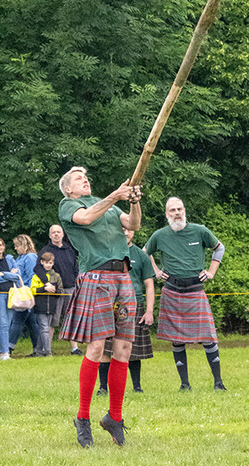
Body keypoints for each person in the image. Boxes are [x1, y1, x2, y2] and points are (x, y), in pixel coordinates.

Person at [58, 166, 142, 448]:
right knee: (96, 347)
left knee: (124, 348)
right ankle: (83, 418)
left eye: (86, 178)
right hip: (96, 279)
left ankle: (114, 417)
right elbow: (85, 219)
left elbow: (133, 225)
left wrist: (133, 202)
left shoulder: (104, 205)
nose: (85, 180)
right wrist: (116, 195)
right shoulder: (69, 205)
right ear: (68, 188)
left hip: (122, 278)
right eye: (79, 179)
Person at [144, 197, 226, 391]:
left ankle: (218, 383)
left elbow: (219, 248)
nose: (177, 213)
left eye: (180, 209)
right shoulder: (159, 235)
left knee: (208, 337)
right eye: (172, 210)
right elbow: (144, 253)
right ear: (166, 214)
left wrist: (211, 271)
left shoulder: (200, 230)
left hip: (195, 289)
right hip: (171, 290)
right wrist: (155, 271)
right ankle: (184, 384)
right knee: (177, 339)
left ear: (185, 210)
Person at [97, 226, 156, 395]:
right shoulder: (108, 252)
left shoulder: (141, 255)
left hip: (134, 304)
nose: (125, 232)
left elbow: (149, 284)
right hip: (112, 305)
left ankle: (137, 387)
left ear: (134, 231)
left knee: (133, 349)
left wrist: (149, 310)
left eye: (128, 229)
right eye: (121, 229)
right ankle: (103, 387)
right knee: (107, 347)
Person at [34, 224, 82, 355]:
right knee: (52, 320)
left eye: (58, 232)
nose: (56, 234)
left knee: (72, 318)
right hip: (54, 291)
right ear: (50, 235)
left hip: (71, 289)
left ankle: (75, 348)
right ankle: (46, 349)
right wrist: (46, 283)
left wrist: (76, 280)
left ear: (62, 234)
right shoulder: (45, 251)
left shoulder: (70, 250)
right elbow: (38, 269)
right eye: (53, 232)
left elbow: (75, 267)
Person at [7, 234, 41, 356]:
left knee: (17, 320)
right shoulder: (20, 257)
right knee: (32, 323)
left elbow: (32, 276)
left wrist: (30, 293)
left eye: (17, 245)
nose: (15, 248)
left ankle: (8, 348)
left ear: (24, 245)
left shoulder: (30, 257)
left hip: (25, 293)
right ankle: (38, 349)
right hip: (22, 292)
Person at [0, 238, 20, 360]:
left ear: (4, 246)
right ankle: (4, 353)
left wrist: (3, 274)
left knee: (9, 324)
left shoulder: (10, 258)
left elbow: (17, 276)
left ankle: (2, 351)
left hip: (11, 295)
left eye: (0, 245)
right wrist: (10, 275)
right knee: (4, 324)